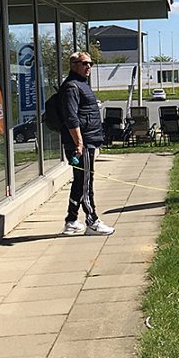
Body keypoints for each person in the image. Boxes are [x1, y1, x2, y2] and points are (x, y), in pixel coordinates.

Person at [59, 51, 114, 235]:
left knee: (79, 182)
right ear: (74, 65)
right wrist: (79, 144)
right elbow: (71, 118)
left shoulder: (82, 85)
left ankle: (71, 220)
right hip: (81, 145)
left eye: (90, 63)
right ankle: (93, 221)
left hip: (88, 142)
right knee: (86, 184)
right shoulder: (71, 87)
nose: (88, 66)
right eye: (84, 63)